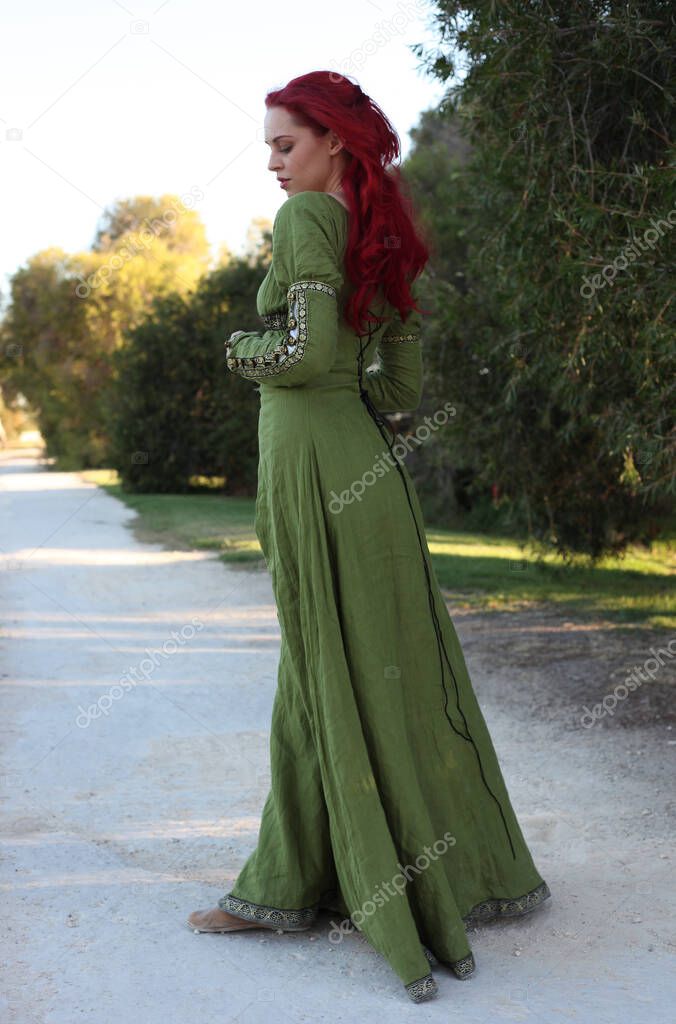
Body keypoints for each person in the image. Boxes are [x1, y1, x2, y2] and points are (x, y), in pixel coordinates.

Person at [188, 71, 551, 1004]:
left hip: (311, 464)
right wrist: (361, 350)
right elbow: (395, 390)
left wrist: (239, 352)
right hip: (369, 476)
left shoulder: (307, 221)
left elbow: (301, 356)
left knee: (320, 667)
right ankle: (335, 876)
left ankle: (297, 887)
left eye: (285, 143)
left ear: (336, 142)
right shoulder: (371, 234)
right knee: (356, 673)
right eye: (268, 146)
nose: (273, 162)